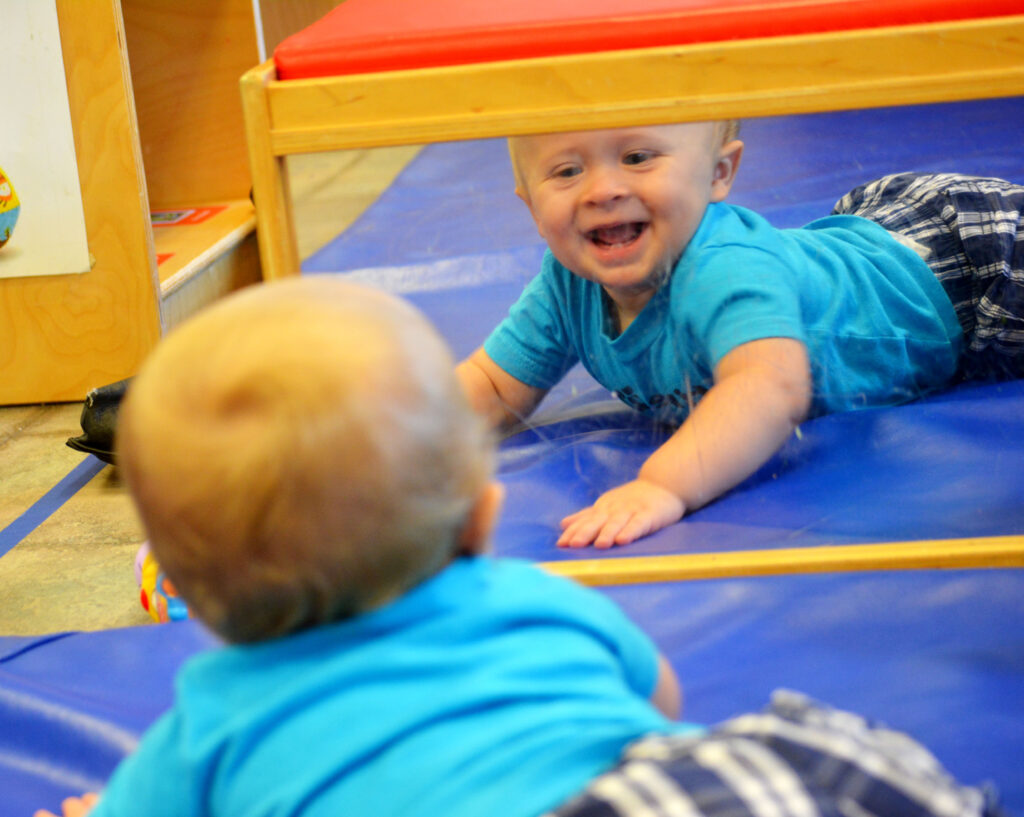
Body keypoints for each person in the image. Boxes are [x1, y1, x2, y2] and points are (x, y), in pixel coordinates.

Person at [36, 278, 1004, 817]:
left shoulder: (211, 722)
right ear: (480, 521)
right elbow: (655, 698)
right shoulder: (532, 599)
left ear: (186, 597)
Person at [456, 121, 1024, 548]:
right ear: (530, 206)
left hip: (970, 272)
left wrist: (664, 486)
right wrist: (402, 449)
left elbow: (767, 387)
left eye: (636, 157)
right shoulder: (566, 283)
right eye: (566, 171)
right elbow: (493, 385)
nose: (603, 189)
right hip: (871, 241)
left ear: (719, 174)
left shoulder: (725, 266)